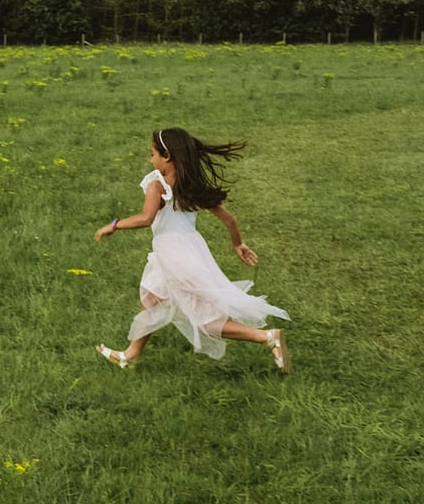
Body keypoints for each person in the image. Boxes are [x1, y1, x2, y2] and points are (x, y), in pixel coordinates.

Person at [92, 127, 290, 372]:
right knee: (152, 296)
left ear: (167, 156)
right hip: (191, 248)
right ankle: (131, 354)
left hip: (173, 254)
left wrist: (114, 225)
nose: (150, 159)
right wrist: (237, 244)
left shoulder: (157, 184)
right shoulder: (192, 184)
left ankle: (266, 337)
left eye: (152, 154)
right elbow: (229, 220)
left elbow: (146, 218)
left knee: (202, 319)